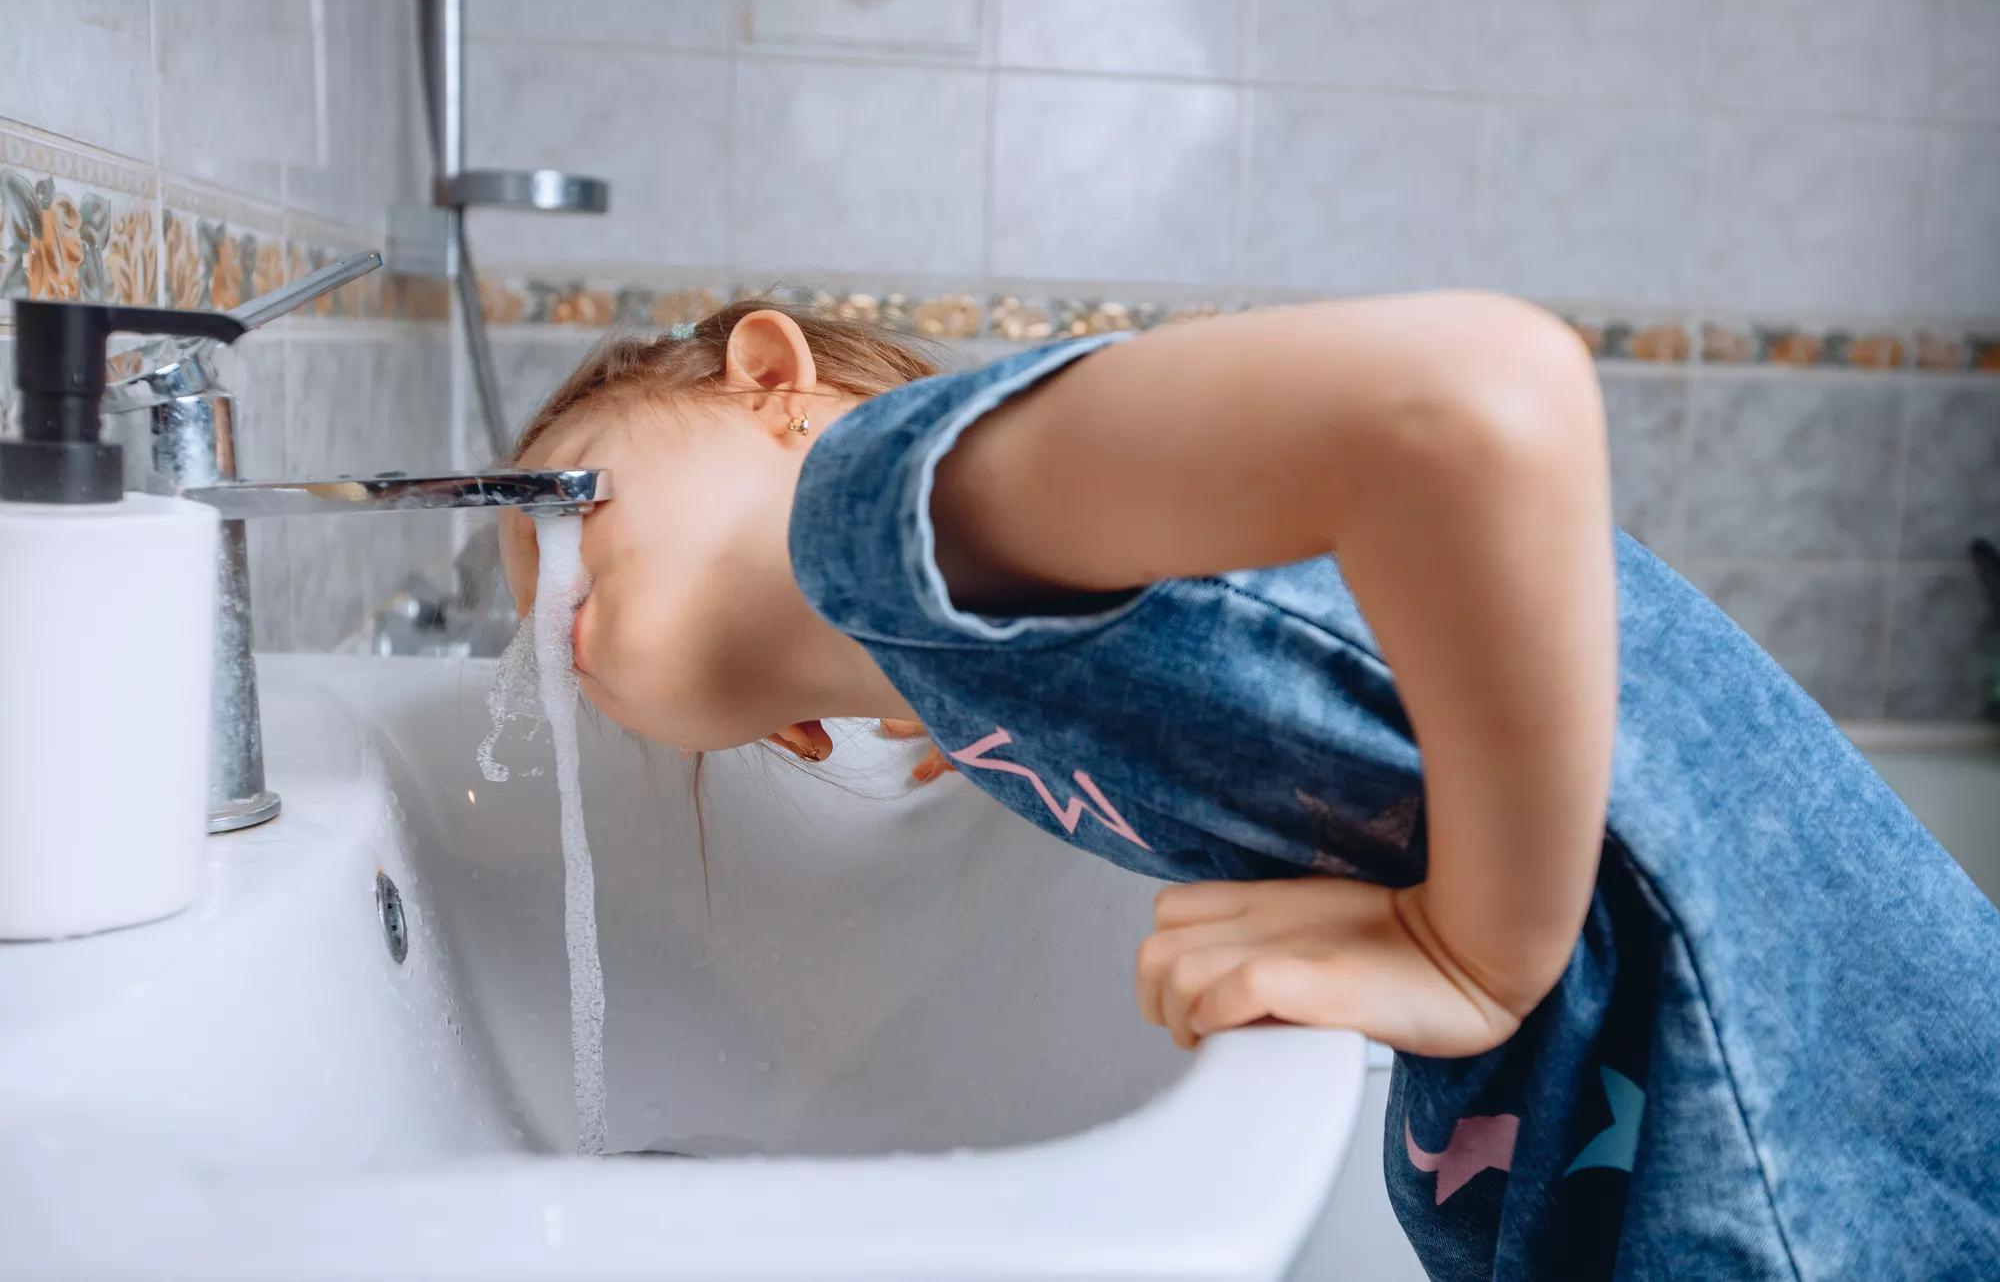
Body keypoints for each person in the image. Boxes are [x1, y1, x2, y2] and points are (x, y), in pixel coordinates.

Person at [500, 294, 2000, 1278]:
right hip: (1689, 1112)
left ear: (772, 386)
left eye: (562, 501)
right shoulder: (980, 677)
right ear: (789, 742)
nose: (537, 582)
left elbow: (1479, 395)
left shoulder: (885, 500)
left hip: (1784, 1097)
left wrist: (1477, 943)